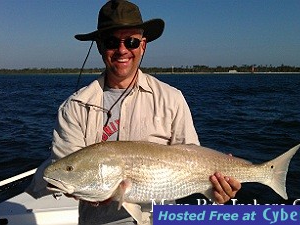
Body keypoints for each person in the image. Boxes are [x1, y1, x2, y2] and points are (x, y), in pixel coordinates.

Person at [27, 0, 241, 224]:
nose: (122, 50)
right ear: (100, 46)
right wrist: (85, 189)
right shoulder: (74, 107)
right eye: (111, 41)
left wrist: (219, 187)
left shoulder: (172, 98)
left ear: (143, 46)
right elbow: (65, 173)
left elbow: (194, 157)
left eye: (131, 41)